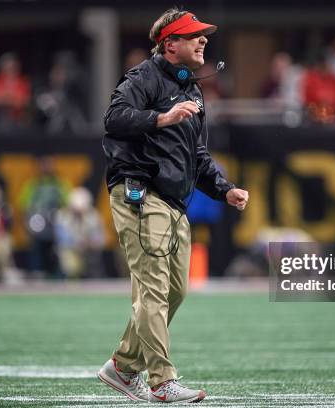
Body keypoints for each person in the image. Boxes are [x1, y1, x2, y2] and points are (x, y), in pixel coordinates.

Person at [99, 8, 249, 403]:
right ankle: (161, 382)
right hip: (140, 191)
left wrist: (224, 189)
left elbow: (198, 157)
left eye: (203, 35)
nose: (203, 41)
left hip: (172, 200)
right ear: (170, 44)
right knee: (152, 289)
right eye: (193, 35)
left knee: (175, 291)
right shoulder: (143, 77)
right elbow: (114, 118)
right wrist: (161, 119)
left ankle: (122, 367)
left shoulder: (192, 90)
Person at [54, 187, 106, 278]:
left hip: (89, 251)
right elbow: (62, 239)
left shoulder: (94, 216)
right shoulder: (61, 216)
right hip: (70, 250)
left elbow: (100, 238)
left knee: (94, 263)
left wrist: (92, 242)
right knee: (71, 267)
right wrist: (77, 243)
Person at [0, 52, 31, 128]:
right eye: (8, 68)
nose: (11, 70)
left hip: (19, 120)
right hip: (0, 120)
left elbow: (24, 102)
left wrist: (6, 98)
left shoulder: (23, 82)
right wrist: (12, 99)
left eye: (13, 67)